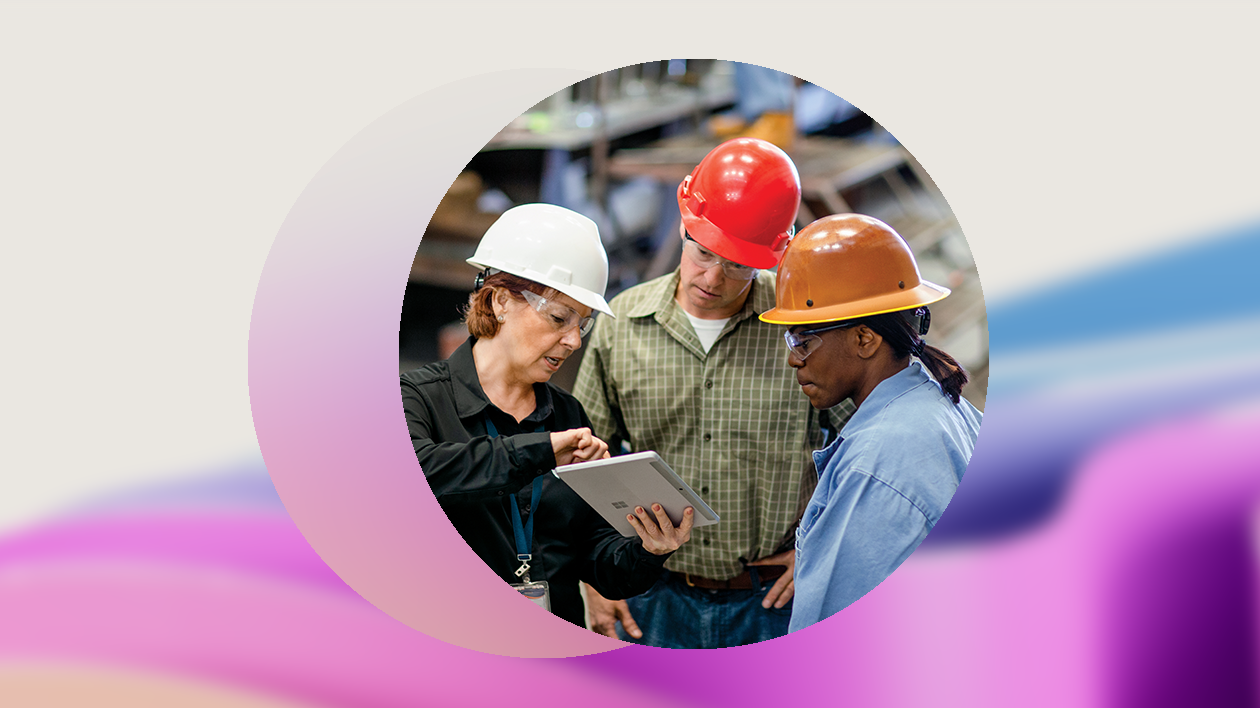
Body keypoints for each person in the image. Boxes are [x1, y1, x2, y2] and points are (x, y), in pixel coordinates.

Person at [573, 138, 854, 648]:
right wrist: (593, 575)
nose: (714, 277)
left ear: (769, 256)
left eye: (738, 264)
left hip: (772, 601)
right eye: (703, 252)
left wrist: (827, 546)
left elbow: (868, 442)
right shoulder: (621, 327)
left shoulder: (798, 327)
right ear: (684, 224)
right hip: (649, 594)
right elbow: (584, 460)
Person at [401, 203, 693, 630]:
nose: (573, 340)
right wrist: (541, 451)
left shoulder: (566, 413)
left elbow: (598, 560)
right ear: (500, 300)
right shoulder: (419, 399)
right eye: (559, 318)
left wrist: (650, 548)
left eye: (583, 324)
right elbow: (422, 472)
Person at [758, 213, 983, 631]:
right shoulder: (940, 405)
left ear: (865, 339)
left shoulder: (877, 465)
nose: (793, 358)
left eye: (803, 341)